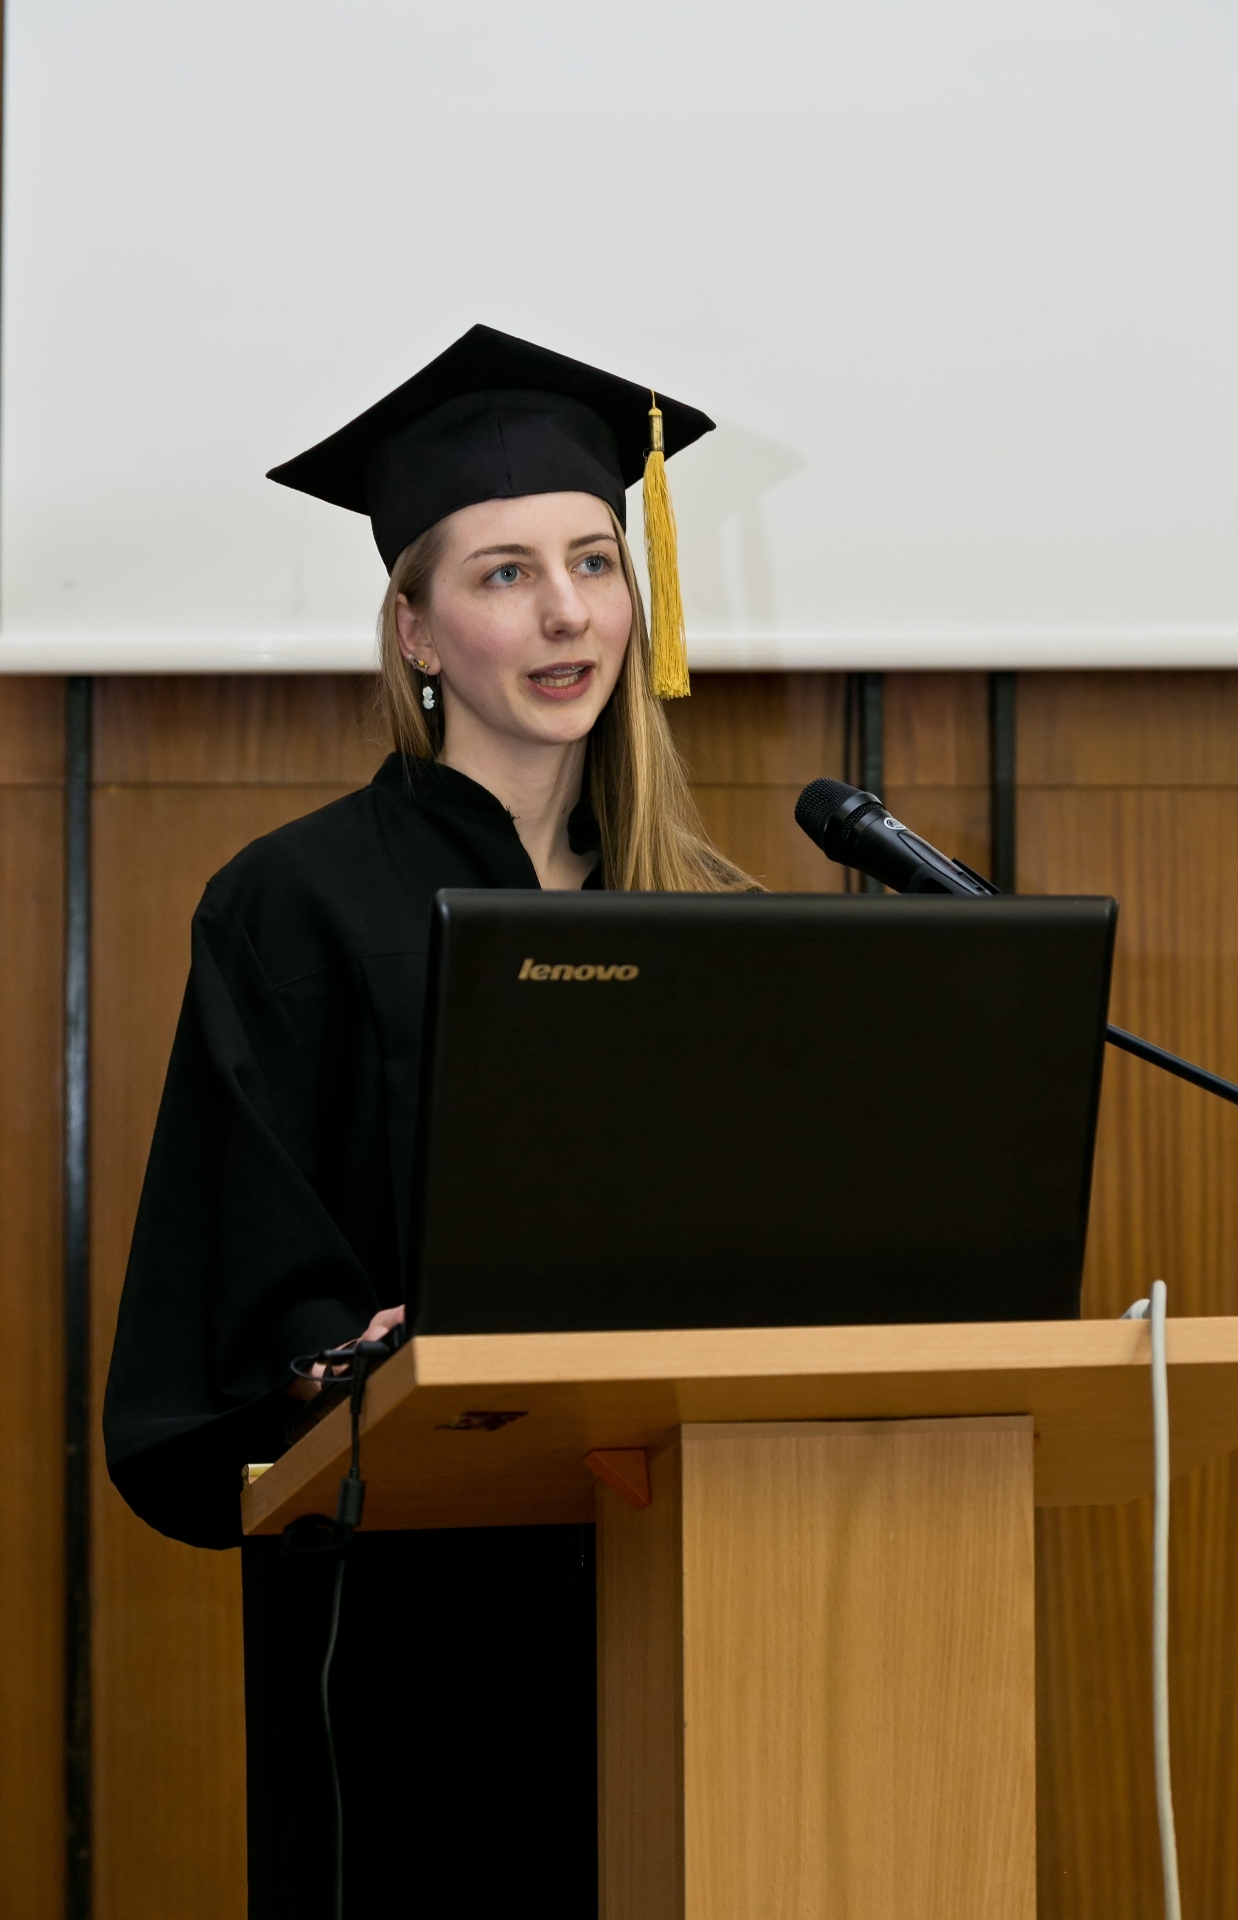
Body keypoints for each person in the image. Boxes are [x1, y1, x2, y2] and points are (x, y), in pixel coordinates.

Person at [103, 325, 756, 1917]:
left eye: (594, 562)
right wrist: (336, 1351)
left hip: (682, 1568)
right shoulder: (292, 903)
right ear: (414, 628)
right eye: (504, 574)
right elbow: (243, 1255)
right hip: (411, 1590)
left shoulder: (705, 916)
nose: (567, 613)